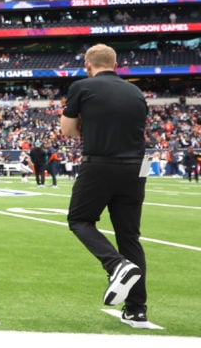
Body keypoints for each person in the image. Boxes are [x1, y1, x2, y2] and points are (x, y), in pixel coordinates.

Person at [61, 43, 150, 328]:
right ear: (117, 64)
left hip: (100, 162)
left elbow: (68, 129)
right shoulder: (136, 92)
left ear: (88, 65)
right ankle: (136, 309)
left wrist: (91, 128)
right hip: (136, 167)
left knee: (79, 219)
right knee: (129, 236)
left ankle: (116, 265)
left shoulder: (82, 87)